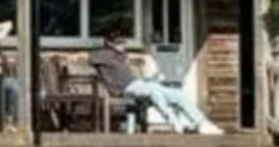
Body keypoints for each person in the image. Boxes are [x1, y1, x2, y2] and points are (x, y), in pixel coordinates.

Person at [89, 29, 222, 135]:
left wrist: (127, 58)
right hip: (124, 88)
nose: (122, 45)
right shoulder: (102, 55)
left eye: (123, 42)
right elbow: (92, 58)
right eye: (118, 42)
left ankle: (202, 123)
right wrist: (111, 51)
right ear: (109, 43)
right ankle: (174, 122)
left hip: (138, 84)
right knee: (154, 91)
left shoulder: (122, 56)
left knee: (178, 94)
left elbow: (129, 61)